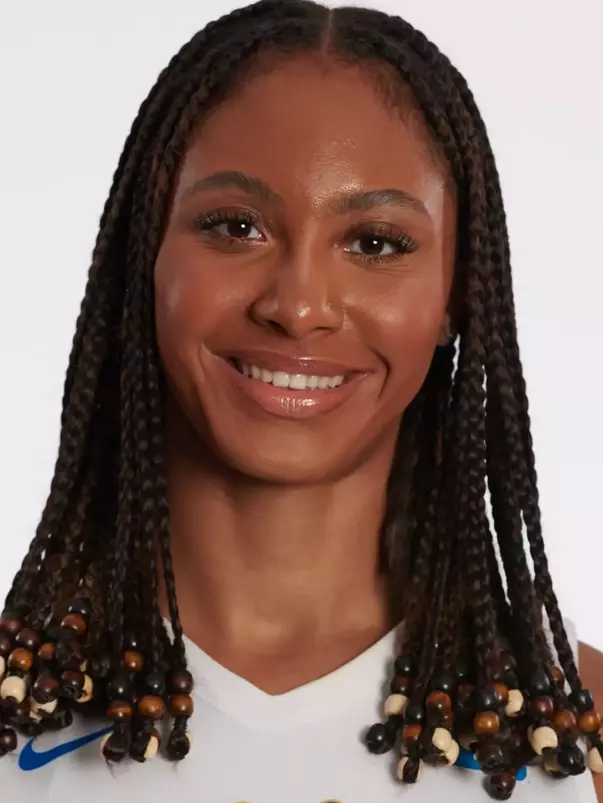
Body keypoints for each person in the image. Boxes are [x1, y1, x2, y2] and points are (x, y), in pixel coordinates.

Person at [0, 1, 600, 801]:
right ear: (142, 258)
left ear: (457, 293)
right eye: (234, 226)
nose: (299, 303)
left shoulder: (578, 729)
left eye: (375, 242)